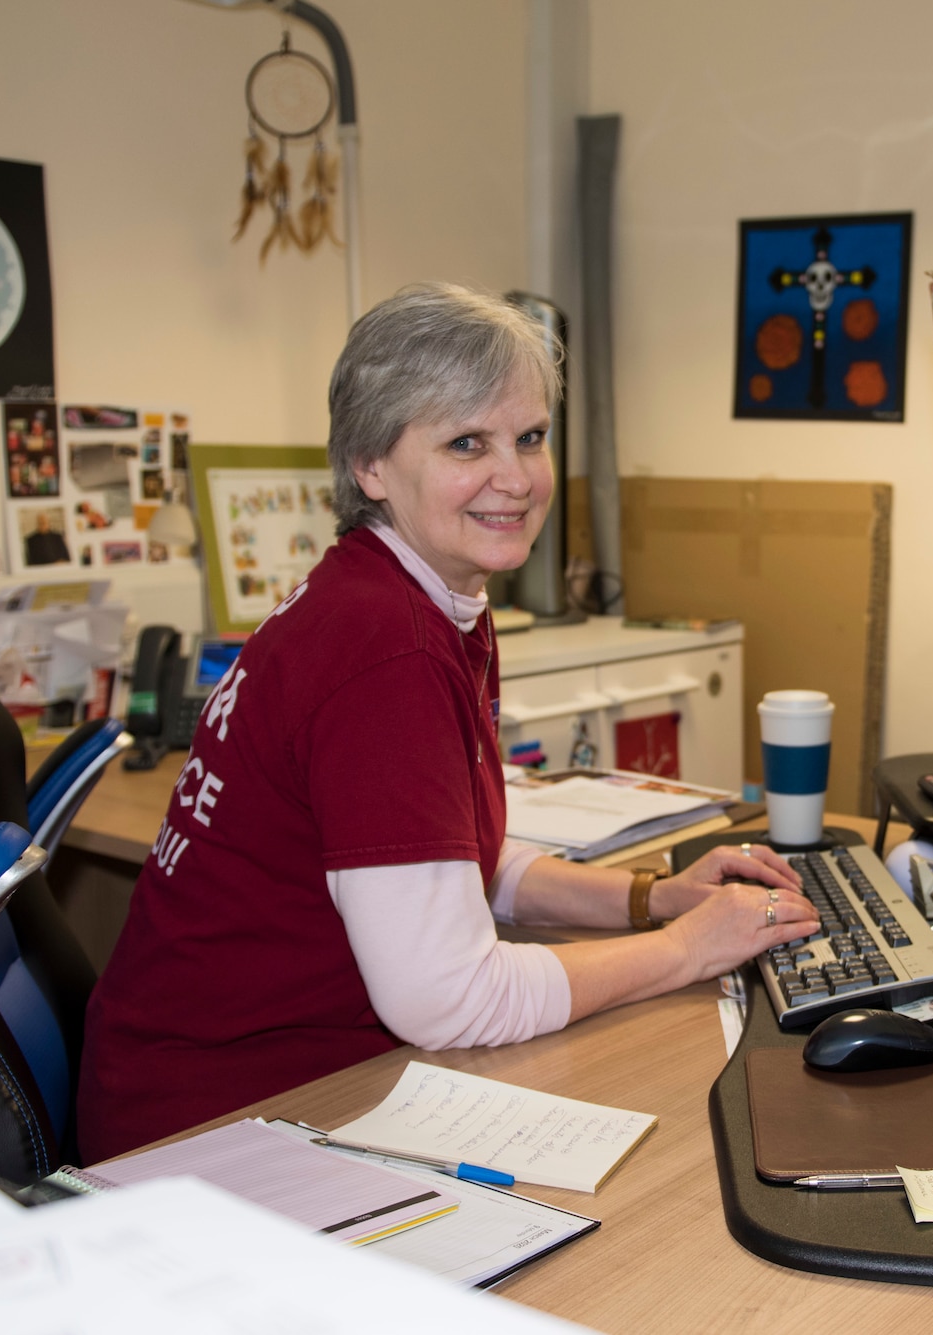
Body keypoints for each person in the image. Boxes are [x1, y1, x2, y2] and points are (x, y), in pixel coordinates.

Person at [78, 284, 819, 1160]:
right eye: (468, 442)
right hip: (213, 1134)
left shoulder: (419, 596)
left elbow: (449, 852)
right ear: (371, 467)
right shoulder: (385, 642)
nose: (515, 477)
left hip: (280, 1088)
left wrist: (651, 900)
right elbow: (449, 999)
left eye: (531, 438)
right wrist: (687, 949)